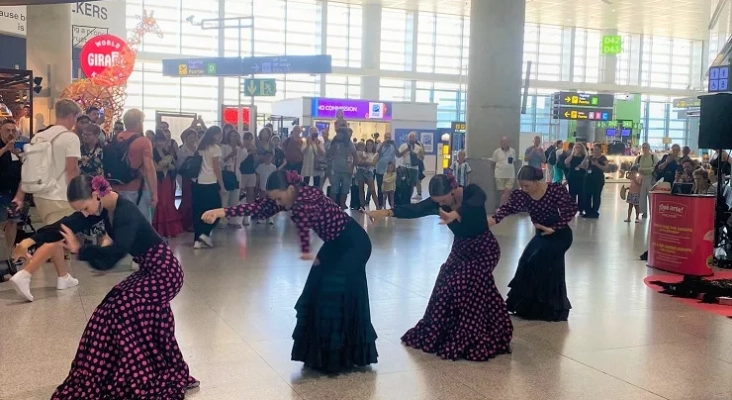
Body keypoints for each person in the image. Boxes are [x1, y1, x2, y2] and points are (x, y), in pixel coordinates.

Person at [13, 175, 198, 397]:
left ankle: (140, 373)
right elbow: (69, 224)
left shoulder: (125, 212)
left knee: (120, 312)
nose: (85, 213)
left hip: (165, 274)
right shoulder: (101, 208)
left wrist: (80, 251)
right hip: (150, 271)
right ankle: (107, 372)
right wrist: (31, 240)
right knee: (107, 308)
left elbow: (111, 258)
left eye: (85, 207)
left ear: (94, 195)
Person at [202, 170, 378, 372]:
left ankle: (341, 355)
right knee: (316, 289)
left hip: (354, 244)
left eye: (278, 197)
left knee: (333, 292)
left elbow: (304, 220)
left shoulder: (309, 197)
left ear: (291, 189)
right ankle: (322, 352)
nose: (277, 203)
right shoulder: (289, 199)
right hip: (335, 244)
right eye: (274, 199)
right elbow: (257, 206)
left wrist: (305, 249)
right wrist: (221, 212)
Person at [368, 174, 513, 361]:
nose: (441, 204)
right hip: (461, 249)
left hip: (483, 250)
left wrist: (456, 213)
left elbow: (479, 200)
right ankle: (443, 332)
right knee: (445, 283)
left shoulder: (471, 192)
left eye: (444, 200)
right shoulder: (439, 204)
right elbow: (416, 209)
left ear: (452, 191)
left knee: (464, 284)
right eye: (438, 201)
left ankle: (474, 336)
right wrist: (387, 212)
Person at [10, 99, 82, 302]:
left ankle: (63, 277)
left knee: (55, 235)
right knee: (56, 235)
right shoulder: (70, 138)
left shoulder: (38, 136)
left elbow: (28, 169)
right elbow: (71, 170)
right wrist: (77, 196)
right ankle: (25, 274)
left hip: (40, 195)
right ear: (72, 116)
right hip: (60, 196)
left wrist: (20, 195)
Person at [488, 166, 576, 321]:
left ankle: (551, 309)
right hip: (542, 234)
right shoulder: (523, 195)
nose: (524, 189)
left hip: (559, 234)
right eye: (522, 186)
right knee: (526, 261)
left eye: (527, 185)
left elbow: (570, 209)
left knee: (544, 263)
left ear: (537, 181)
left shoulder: (555, 190)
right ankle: (526, 306)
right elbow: (509, 208)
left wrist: (554, 228)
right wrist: (494, 219)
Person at [110, 109, 158, 222]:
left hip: (116, 187)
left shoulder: (116, 139)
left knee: (121, 223)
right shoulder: (143, 141)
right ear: (139, 122)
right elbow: (149, 168)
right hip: (137, 188)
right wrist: (154, 193)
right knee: (142, 225)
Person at [193, 126, 224, 248]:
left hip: (198, 182)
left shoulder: (200, 146)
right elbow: (216, 168)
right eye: (219, 135)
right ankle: (205, 233)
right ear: (214, 135)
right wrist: (221, 185)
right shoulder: (215, 148)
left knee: (199, 211)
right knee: (216, 210)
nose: (220, 138)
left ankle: (197, 239)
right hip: (210, 182)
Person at [152, 130, 183, 237]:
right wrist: (164, 166)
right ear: (155, 141)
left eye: (162, 140)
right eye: (159, 140)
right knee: (160, 202)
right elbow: (154, 168)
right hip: (157, 180)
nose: (161, 143)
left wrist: (169, 166)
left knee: (168, 201)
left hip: (168, 180)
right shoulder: (152, 152)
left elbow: (175, 166)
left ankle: (169, 229)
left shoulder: (167, 153)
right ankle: (159, 229)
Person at [0, 118, 23, 253]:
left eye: (13, 131)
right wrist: (5, 149)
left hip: (14, 192)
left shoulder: (18, 147)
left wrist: (19, 155)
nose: (10, 133)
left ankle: (9, 253)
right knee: (1, 222)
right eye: (7, 130)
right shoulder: (3, 146)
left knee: (13, 222)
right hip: (1, 191)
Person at [327, 127, 357, 208]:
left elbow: (355, 156)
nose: (339, 135)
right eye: (337, 133)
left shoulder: (349, 143)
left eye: (340, 134)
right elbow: (329, 154)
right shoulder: (333, 142)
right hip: (336, 169)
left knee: (345, 188)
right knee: (334, 188)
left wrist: (352, 168)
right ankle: (333, 205)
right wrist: (333, 146)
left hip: (347, 170)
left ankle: (343, 204)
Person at [221, 129, 243, 228]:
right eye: (232, 135)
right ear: (228, 137)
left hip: (237, 173)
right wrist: (230, 155)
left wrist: (241, 144)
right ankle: (222, 220)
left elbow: (244, 156)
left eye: (235, 135)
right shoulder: (224, 147)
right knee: (225, 197)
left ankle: (233, 219)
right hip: (227, 171)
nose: (233, 137)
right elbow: (221, 161)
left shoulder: (240, 148)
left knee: (235, 197)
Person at [176, 129, 197, 232]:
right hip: (186, 177)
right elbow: (179, 165)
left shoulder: (198, 148)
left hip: (197, 177)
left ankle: (194, 222)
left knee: (196, 200)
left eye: (194, 137)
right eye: (190, 137)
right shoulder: (182, 150)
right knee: (187, 200)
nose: (192, 139)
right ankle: (185, 222)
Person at [581, 144, 609, 219]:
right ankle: (587, 211)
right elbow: (582, 166)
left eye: (597, 149)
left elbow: (606, 168)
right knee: (587, 195)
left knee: (596, 196)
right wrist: (585, 158)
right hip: (588, 178)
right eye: (594, 149)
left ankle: (594, 212)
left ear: (600, 150)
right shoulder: (590, 157)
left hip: (598, 179)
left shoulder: (603, 158)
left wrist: (596, 164)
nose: (595, 151)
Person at [490, 136, 518, 205]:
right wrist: (495, 172)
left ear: (508, 142)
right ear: (501, 143)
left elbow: (514, 162)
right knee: (502, 193)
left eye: (506, 141)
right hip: (499, 175)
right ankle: (504, 207)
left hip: (510, 175)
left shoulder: (513, 151)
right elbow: (493, 163)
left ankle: (501, 207)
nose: (505, 143)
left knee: (507, 192)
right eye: (503, 141)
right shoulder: (497, 151)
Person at [398, 132, 425, 200]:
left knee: (412, 184)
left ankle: (409, 197)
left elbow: (422, 158)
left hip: (414, 168)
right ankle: (404, 197)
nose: (412, 139)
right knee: (404, 183)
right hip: (405, 167)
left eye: (413, 137)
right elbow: (398, 155)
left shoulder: (418, 147)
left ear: (415, 138)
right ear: (408, 138)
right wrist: (406, 150)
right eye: (410, 137)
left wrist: (419, 155)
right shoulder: (403, 146)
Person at [239, 131, 258, 226]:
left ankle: (247, 215)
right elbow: (240, 159)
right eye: (247, 139)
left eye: (251, 139)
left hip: (251, 172)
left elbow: (255, 160)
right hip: (242, 173)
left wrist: (254, 153)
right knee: (240, 193)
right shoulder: (241, 148)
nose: (249, 141)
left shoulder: (253, 148)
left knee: (250, 194)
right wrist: (249, 151)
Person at [375, 132, 397, 209]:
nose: (388, 139)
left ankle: (392, 205)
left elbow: (398, 154)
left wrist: (394, 145)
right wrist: (383, 145)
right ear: (384, 138)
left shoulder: (393, 146)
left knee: (391, 188)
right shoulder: (380, 145)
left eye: (389, 137)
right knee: (380, 188)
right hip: (380, 170)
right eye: (386, 137)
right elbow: (378, 153)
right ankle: (380, 204)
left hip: (390, 171)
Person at [564, 143, 587, 215]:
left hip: (581, 176)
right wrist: (572, 154)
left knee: (581, 193)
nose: (577, 149)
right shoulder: (572, 156)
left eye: (579, 147)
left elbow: (587, 166)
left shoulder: (584, 157)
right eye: (576, 147)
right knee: (572, 193)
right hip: (572, 176)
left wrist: (583, 167)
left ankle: (581, 209)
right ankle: (572, 209)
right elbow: (566, 162)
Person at [635, 143, 658, 218]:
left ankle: (652, 212)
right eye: (643, 147)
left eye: (646, 148)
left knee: (651, 196)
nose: (644, 149)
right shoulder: (639, 158)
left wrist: (646, 170)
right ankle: (643, 212)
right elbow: (634, 167)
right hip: (641, 179)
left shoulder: (653, 157)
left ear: (649, 148)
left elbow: (656, 166)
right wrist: (639, 171)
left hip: (650, 178)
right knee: (642, 196)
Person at [356, 140, 378, 210]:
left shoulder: (376, 154)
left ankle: (377, 207)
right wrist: (368, 162)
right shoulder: (362, 153)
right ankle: (362, 206)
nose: (369, 146)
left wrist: (365, 162)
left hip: (369, 172)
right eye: (367, 144)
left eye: (370, 145)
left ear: (373, 146)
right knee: (361, 189)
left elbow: (373, 163)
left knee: (372, 190)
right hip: (360, 171)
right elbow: (358, 162)